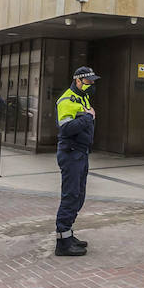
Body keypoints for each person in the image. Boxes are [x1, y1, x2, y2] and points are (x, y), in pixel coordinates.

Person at [53, 66, 98, 257]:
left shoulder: (82, 97)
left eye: (93, 81)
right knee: (70, 196)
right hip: (71, 154)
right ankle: (62, 244)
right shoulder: (66, 100)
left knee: (78, 195)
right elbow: (66, 129)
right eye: (88, 81)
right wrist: (89, 117)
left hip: (80, 153)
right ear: (78, 81)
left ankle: (68, 234)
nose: (92, 84)